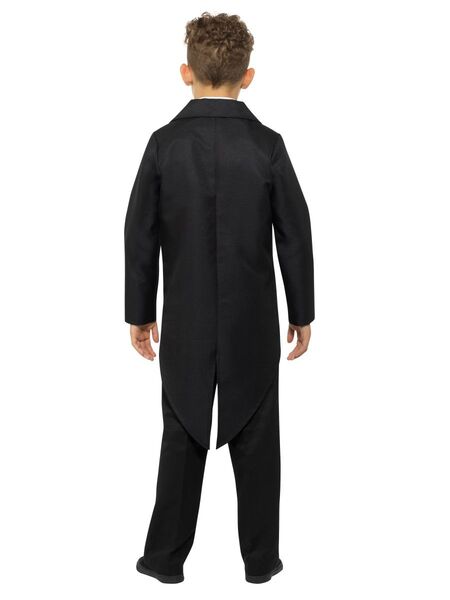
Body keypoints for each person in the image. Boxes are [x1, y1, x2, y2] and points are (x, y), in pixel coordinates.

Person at [124, 11, 315, 584]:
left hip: (183, 321)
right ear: (247, 77)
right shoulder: (268, 146)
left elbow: (139, 233)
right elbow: (295, 233)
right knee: (257, 438)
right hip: (252, 324)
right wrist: (302, 312)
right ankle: (261, 562)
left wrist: (140, 313)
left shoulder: (163, 145)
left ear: (186, 72)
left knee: (181, 431)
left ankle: (164, 560)